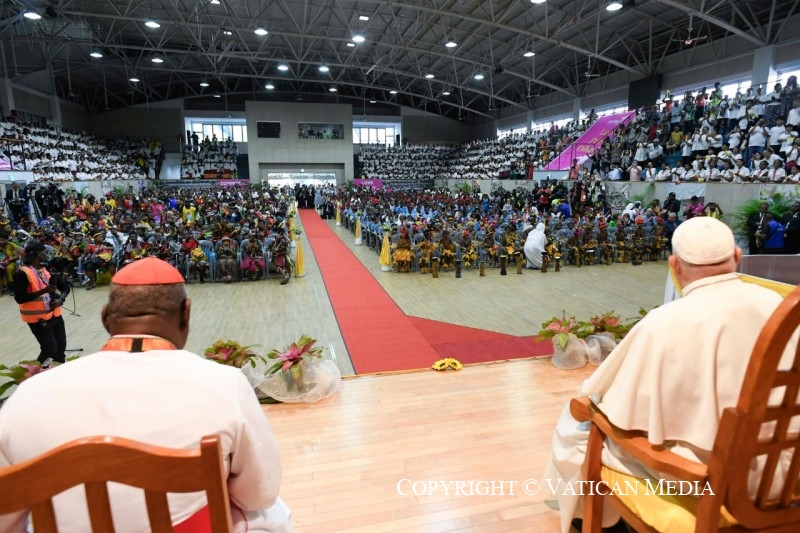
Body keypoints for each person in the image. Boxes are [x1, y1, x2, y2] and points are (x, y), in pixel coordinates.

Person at [0, 257, 291, 532]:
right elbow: (259, 494)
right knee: (269, 512)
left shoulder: (29, 396)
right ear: (186, 314)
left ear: (106, 318)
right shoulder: (224, 384)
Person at [543, 217, 795, 533]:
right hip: (786, 471)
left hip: (713, 483)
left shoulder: (664, 322)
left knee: (578, 427)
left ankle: (605, 525)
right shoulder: (781, 307)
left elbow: (609, 400)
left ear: (674, 265)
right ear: (737, 256)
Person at [12, 239, 70, 365]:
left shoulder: (46, 269)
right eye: (45, 252)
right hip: (37, 319)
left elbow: (65, 287)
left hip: (55, 314)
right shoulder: (21, 273)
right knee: (50, 349)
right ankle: (33, 373)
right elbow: (20, 298)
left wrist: (60, 299)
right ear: (38, 254)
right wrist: (44, 290)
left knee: (60, 349)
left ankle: (59, 373)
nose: (47, 254)